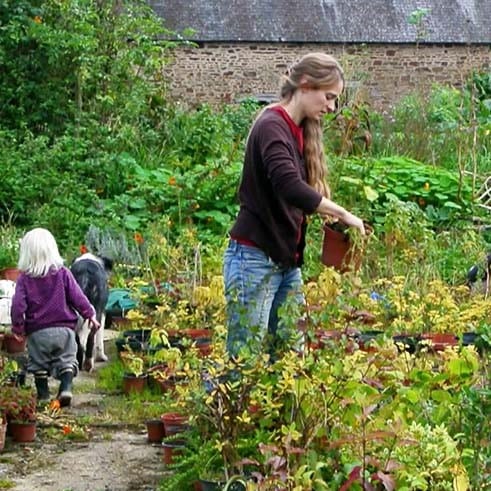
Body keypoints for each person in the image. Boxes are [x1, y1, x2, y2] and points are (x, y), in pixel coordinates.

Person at [224, 52, 365, 359]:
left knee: (290, 357)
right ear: (305, 84)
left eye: (335, 100)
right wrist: (342, 213)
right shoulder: (271, 125)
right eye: (328, 97)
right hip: (253, 259)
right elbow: (289, 187)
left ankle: (280, 409)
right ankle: (220, 408)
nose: (331, 107)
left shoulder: (300, 129)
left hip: (286, 263)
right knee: (243, 360)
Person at [10, 228, 100, 406]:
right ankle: (66, 388)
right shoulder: (63, 273)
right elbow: (78, 297)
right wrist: (90, 314)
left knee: (39, 365)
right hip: (64, 331)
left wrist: (18, 328)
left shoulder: (24, 279)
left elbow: (18, 305)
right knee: (67, 361)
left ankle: (43, 394)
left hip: (37, 333)